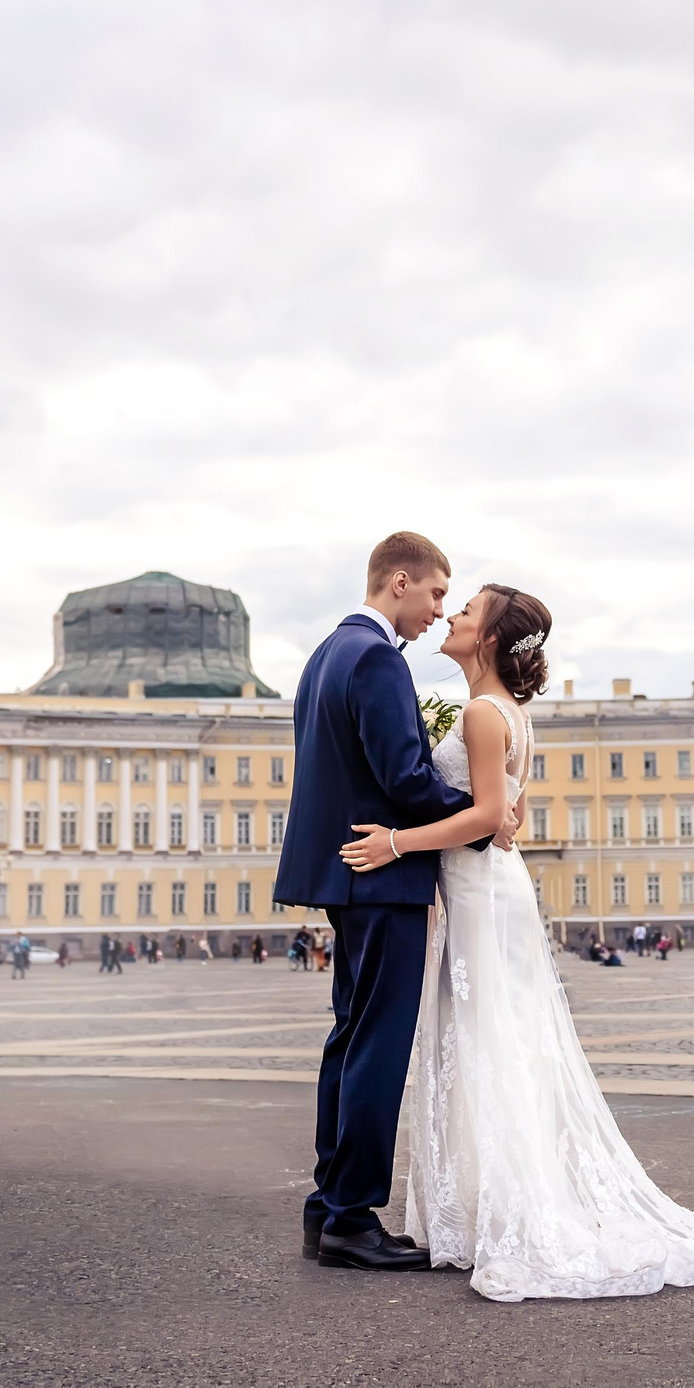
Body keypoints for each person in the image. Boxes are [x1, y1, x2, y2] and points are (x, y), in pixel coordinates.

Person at [343, 579, 694, 1302]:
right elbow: (512, 811)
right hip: (496, 887)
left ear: (490, 640)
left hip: (479, 890)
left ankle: (488, 1213)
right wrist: (494, 818)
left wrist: (394, 841)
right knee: (499, 1040)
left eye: (466, 611)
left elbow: (483, 817)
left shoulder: (481, 711)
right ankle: (491, 1207)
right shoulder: (516, 713)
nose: (451, 616)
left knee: (481, 1039)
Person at [272, 533, 501, 1273]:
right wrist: (478, 812)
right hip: (382, 876)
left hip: (349, 877)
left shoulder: (328, 652)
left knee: (348, 1038)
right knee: (375, 1045)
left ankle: (328, 1205)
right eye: (437, 592)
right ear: (399, 581)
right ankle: (350, 1217)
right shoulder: (373, 657)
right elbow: (402, 776)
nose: (439, 609)